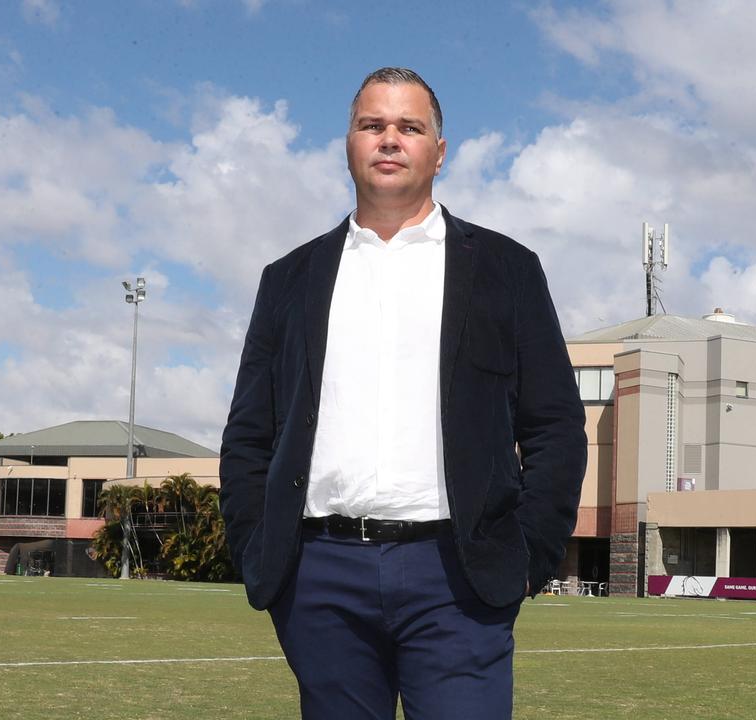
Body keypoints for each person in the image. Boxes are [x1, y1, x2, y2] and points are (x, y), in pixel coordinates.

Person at [220, 66, 586, 720]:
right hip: (319, 579)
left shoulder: (506, 269)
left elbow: (555, 427)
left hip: (458, 578)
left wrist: (529, 553)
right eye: (373, 125)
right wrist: (261, 553)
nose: (390, 140)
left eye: (409, 127)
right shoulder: (289, 279)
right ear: (349, 144)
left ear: (438, 152)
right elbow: (249, 435)